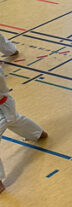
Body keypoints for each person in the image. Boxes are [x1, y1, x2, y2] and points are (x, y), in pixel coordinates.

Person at [0, 63, 48, 194]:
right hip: (5, 107)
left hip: (3, 106)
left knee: (14, 120)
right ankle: (38, 133)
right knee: (15, 121)